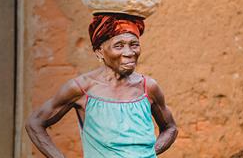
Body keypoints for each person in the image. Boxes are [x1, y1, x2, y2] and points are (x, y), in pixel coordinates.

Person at [25, 13, 178, 158]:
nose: (129, 52)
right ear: (99, 52)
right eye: (119, 46)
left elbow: (170, 128)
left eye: (134, 45)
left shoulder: (148, 87)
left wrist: (148, 153)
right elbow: (35, 123)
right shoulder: (82, 88)